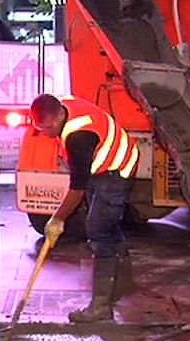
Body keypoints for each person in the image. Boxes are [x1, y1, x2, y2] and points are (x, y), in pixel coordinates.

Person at [29, 94, 140, 323]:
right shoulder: (63, 104)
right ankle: (122, 284)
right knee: (106, 224)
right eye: (41, 128)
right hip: (101, 166)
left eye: (49, 127)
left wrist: (57, 219)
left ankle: (101, 306)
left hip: (118, 168)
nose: (47, 133)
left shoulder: (79, 137)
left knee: (97, 229)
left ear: (60, 114)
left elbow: (77, 189)